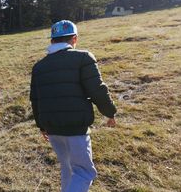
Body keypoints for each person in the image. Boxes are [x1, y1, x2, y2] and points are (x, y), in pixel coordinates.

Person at [30, 20, 116, 192]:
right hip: (76, 127)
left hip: (52, 128)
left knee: (68, 169)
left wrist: (41, 126)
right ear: (74, 38)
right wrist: (110, 113)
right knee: (84, 172)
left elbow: (35, 99)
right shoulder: (83, 58)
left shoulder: (39, 67)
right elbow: (97, 89)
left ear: (52, 40)